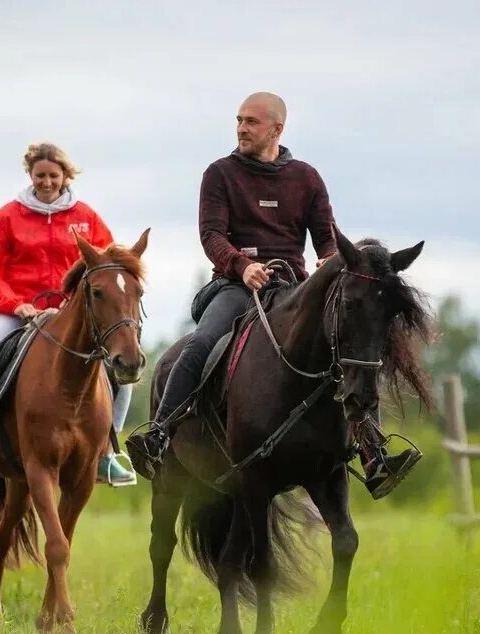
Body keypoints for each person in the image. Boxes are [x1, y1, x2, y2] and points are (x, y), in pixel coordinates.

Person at [127, 91, 421, 499]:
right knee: (201, 343)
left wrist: (329, 260)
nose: (241, 128)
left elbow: (326, 238)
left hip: (293, 289)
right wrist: (242, 266)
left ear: (277, 129)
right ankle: (158, 435)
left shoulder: (307, 177)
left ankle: (372, 452)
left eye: (251, 122)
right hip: (234, 286)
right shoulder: (220, 173)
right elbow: (211, 235)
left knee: (345, 347)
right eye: (239, 120)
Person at [0, 142, 136, 486]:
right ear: (30, 175)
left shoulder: (87, 217)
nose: (47, 182)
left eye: (53, 175)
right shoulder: (7, 216)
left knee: (121, 367)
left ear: (66, 176)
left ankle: (109, 454)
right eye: (40, 176)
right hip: (17, 310)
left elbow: (105, 266)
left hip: (71, 313)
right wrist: (13, 303)